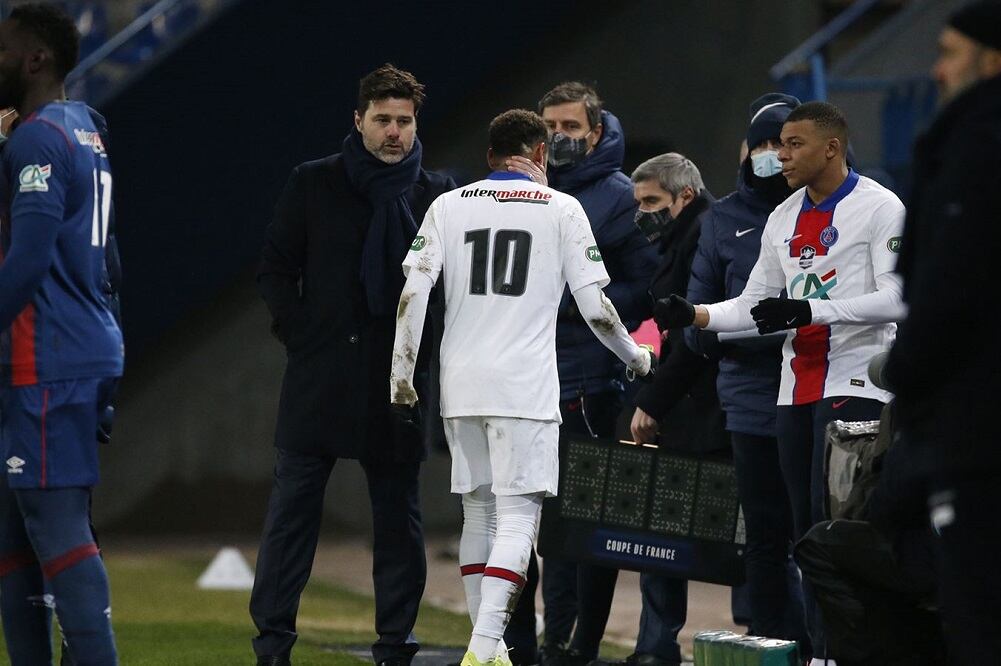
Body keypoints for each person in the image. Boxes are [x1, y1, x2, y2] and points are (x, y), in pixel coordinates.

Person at [390, 108, 652, 666]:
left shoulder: (447, 204)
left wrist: (402, 375)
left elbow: (412, 294)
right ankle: (486, 648)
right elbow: (597, 310)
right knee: (518, 517)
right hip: (524, 386)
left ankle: (487, 649)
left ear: (490, 157)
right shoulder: (563, 209)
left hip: (460, 383)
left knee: (478, 514)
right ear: (540, 155)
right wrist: (637, 356)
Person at [655, 102, 905, 664]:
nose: (778, 155)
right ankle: (820, 651)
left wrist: (809, 312)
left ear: (831, 147)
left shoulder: (881, 206)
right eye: (774, 145)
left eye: (792, 144)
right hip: (794, 390)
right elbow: (754, 306)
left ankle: (855, 651)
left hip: (856, 384)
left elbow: (897, 298)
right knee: (803, 534)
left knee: (840, 528)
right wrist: (693, 315)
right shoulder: (783, 216)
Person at [249, 64, 455, 666]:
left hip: (400, 384)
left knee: (399, 521)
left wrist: (428, 347)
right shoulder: (314, 183)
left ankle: (396, 646)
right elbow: (275, 269)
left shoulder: (437, 194)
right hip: (321, 375)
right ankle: (273, 645)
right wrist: (301, 333)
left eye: (404, 121)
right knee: (292, 517)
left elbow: (451, 284)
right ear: (359, 120)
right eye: (383, 120)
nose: (394, 132)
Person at [0, 5, 122, 664]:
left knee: (58, 529)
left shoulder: (38, 140)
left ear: (33, 58)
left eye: (1, 50)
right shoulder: (85, 128)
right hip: (77, 348)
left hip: (45, 357)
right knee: (15, 537)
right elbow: (112, 262)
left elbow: (28, 258)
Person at [882, 2, 1001, 663]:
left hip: (975, 430)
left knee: (977, 615)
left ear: (991, 59)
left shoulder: (975, 143)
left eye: (950, 52)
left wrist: (905, 371)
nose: (935, 69)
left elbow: (950, 285)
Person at [535, 81, 658, 666]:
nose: (559, 138)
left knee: (584, 519)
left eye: (571, 128)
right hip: (531, 377)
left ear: (596, 131)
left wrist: (578, 301)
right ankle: (553, 633)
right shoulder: (525, 192)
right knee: (543, 518)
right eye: (551, 128)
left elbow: (646, 285)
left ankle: (579, 639)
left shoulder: (618, 197)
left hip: (588, 379)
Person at [685, 93, 810, 651]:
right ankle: (769, 647)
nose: (771, 155)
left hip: (817, 389)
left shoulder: (828, 208)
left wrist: (755, 330)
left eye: (783, 144)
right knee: (763, 537)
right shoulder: (725, 219)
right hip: (752, 400)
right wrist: (746, 333)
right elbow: (697, 317)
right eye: (762, 144)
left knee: (814, 534)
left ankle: (819, 648)